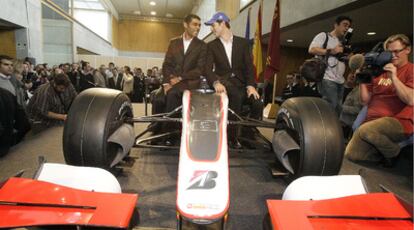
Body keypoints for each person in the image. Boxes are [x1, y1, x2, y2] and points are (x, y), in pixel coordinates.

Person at [345, 34, 413, 167]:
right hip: (372, 122)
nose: (393, 55)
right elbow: (365, 101)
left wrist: (394, 77)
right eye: (389, 52)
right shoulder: (379, 71)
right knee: (352, 155)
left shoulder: (411, 70)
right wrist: (362, 78)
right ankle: (382, 153)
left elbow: (411, 99)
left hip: (398, 121)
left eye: (396, 51)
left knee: (365, 130)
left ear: (408, 50)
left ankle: (394, 152)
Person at [205, 12, 263, 148]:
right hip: (224, 83)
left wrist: (251, 86)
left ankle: (248, 134)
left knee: (257, 103)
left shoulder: (243, 43)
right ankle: (231, 137)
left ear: (223, 23)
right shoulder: (211, 46)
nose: (211, 29)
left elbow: (249, 67)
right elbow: (207, 69)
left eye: (213, 25)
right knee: (236, 97)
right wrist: (216, 82)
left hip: (242, 84)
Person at [161, 14, 207, 113]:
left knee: (172, 95)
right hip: (172, 82)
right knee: (157, 98)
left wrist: (180, 78)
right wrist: (166, 83)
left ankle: (171, 127)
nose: (198, 28)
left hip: (191, 83)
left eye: (199, 25)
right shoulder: (173, 42)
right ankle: (158, 125)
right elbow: (167, 64)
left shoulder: (202, 45)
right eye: (195, 24)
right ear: (185, 25)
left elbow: (199, 69)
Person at [309, 16, 352, 115]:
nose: (346, 28)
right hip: (327, 78)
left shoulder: (342, 42)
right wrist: (331, 51)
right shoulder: (324, 36)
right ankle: (324, 128)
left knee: (338, 108)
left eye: (348, 26)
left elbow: (338, 58)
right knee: (330, 108)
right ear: (336, 25)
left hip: (340, 80)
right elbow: (312, 49)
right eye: (344, 25)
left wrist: (348, 57)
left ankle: (332, 128)